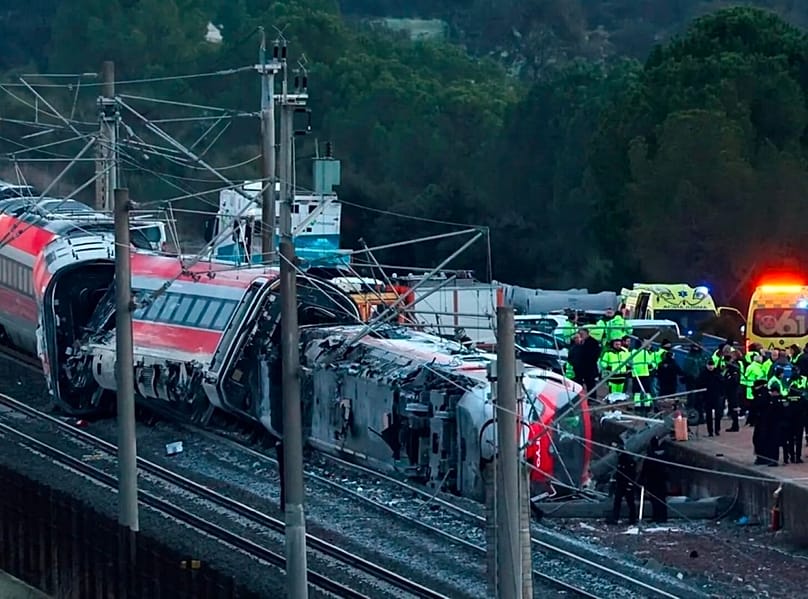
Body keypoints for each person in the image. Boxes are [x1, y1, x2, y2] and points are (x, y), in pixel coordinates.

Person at [606, 440, 637, 525]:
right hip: (621, 484)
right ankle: (615, 518)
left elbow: (631, 473)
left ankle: (633, 519)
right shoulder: (621, 459)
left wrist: (630, 483)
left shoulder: (628, 460)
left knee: (630, 502)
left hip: (626, 484)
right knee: (618, 501)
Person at [639, 436, 668, 523]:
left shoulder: (650, 456)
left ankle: (656, 517)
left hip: (653, 480)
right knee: (662, 499)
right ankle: (663, 517)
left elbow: (645, 469)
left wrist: (641, 479)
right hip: (662, 480)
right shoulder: (664, 455)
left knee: (655, 499)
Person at [697, 360, 724, 436]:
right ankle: (710, 431)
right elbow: (699, 384)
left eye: (712, 365)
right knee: (708, 415)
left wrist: (722, 393)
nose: (711, 367)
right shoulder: (703, 373)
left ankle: (717, 429)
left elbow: (722, 383)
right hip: (707, 397)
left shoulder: (717, 373)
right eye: (709, 365)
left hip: (716, 396)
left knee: (718, 414)